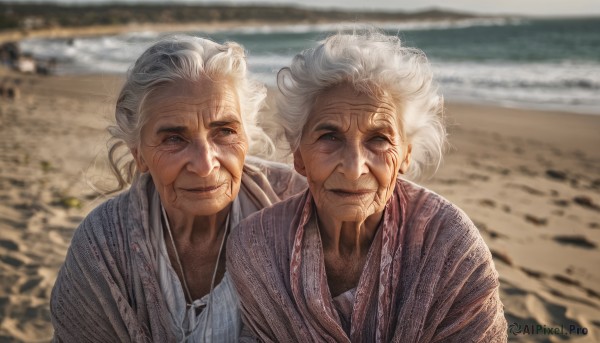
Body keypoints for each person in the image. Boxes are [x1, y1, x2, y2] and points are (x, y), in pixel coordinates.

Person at [227, 30, 507, 342]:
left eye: (378, 139)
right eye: (329, 137)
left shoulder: (449, 246)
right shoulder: (258, 247)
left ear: (405, 156)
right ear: (299, 156)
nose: (353, 168)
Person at [50, 35, 305, 342]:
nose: (204, 164)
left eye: (224, 131)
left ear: (246, 137)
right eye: (174, 138)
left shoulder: (297, 207)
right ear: (139, 153)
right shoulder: (102, 247)